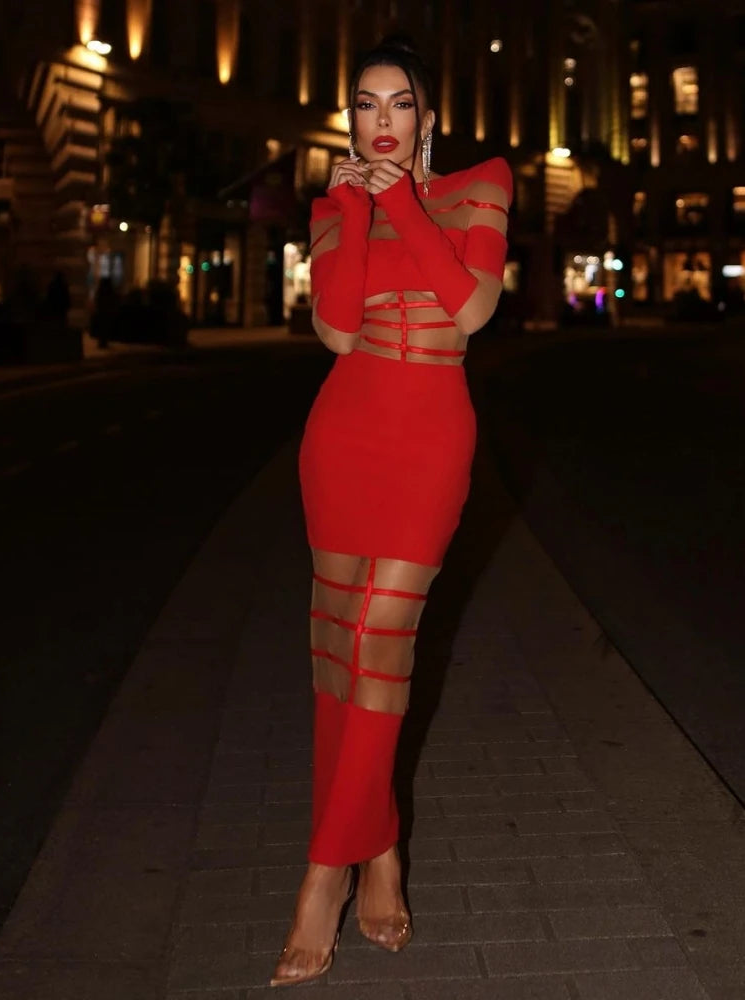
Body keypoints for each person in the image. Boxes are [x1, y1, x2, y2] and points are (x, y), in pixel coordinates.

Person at [271, 36, 511, 987]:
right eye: (365, 105)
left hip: (430, 441)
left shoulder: (481, 186)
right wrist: (347, 210)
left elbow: (471, 309)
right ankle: (381, 852)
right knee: (339, 648)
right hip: (344, 437)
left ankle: (321, 875)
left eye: (398, 104)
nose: (381, 120)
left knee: (381, 637)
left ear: (426, 118)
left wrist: (402, 201)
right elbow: (335, 326)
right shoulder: (338, 206)